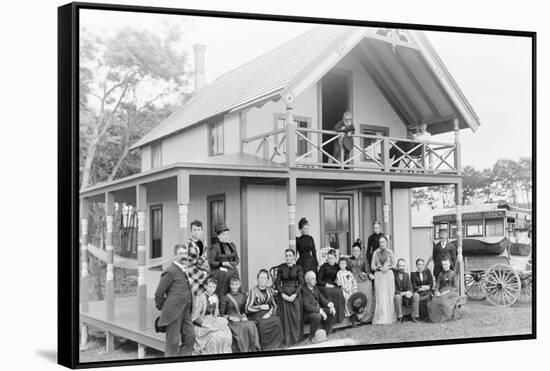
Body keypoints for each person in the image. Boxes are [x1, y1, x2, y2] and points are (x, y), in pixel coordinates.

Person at [154, 244, 196, 357]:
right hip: (173, 312)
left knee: (190, 337)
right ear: (175, 255)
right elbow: (159, 293)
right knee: (173, 343)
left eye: (185, 253)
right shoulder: (170, 271)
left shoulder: (184, 269)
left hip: (185, 311)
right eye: (180, 253)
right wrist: (165, 308)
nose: (184, 256)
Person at [191, 278, 233, 355]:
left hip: (212, 319)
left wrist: (217, 320)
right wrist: (203, 324)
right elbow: (194, 317)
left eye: (214, 287)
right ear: (205, 286)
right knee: (215, 336)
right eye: (210, 286)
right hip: (202, 322)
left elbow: (216, 313)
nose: (212, 289)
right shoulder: (199, 297)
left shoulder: (215, 297)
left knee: (225, 332)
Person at [245, 269, 284, 350]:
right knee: (263, 323)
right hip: (256, 313)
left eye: (264, 278)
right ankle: (265, 346)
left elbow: (274, 304)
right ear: (257, 279)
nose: (262, 280)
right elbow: (247, 308)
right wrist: (260, 307)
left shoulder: (270, 290)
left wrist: (270, 313)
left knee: (277, 320)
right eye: (261, 278)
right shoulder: (252, 291)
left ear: (267, 280)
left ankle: (276, 344)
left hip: (268, 312)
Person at [220, 277, 261, 353]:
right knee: (242, 328)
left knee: (251, 325)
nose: (234, 286)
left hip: (241, 318)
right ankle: (243, 351)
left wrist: (244, 315)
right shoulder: (225, 297)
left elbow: (243, 310)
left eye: (236, 284)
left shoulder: (242, 295)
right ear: (229, 285)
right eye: (232, 284)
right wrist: (230, 317)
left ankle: (253, 349)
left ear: (239, 285)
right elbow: (221, 314)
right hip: (232, 321)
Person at [274, 249, 304, 348]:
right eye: (286, 256)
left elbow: (301, 283)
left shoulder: (298, 268)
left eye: (290, 256)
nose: (288, 258)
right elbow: (277, 282)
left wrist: (295, 294)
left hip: (295, 293)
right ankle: (287, 341)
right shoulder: (281, 268)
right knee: (285, 318)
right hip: (283, 293)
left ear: (294, 257)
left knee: (296, 317)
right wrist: (282, 294)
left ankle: (296, 340)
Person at [301, 271, 336, 343]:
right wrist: (320, 311)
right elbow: (307, 306)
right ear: (307, 280)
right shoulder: (303, 290)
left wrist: (330, 305)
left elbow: (321, 298)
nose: (315, 281)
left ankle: (325, 334)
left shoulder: (315, 287)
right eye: (313, 279)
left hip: (317, 310)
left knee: (331, 312)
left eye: (315, 278)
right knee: (317, 316)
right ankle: (311, 337)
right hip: (308, 314)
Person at [208, 222, 240, 298]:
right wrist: (223, 264)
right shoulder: (214, 247)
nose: (226, 236)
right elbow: (211, 263)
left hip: (233, 274)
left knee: (233, 293)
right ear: (219, 236)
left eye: (227, 234)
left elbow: (237, 259)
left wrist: (234, 263)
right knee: (222, 295)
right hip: (221, 276)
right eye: (224, 234)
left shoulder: (232, 245)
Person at [371, 235, 396, 324]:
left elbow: (394, 265)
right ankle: (379, 318)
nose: (382, 244)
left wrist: (388, 267)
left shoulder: (390, 252)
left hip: (388, 275)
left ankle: (389, 318)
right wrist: (380, 268)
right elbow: (372, 267)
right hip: (379, 275)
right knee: (380, 296)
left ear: (386, 242)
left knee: (388, 295)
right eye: (380, 242)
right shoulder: (375, 252)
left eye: (383, 242)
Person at [348, 240, 375, 323]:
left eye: (357, 251)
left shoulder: (364, 260)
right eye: (354, 251)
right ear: (352, 251)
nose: (356, 252)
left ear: (360, 251)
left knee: (369, 284)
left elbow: (367, 270)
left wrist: (369, 274)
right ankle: (357, 314)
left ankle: (366, 315)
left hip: (362, 278)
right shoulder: (348, 260)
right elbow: (347, 271)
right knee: (357, 287)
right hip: (353, 279)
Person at [317, 249, 346, 323]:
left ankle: (338, 318)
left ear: (335, 258)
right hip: (324, 285)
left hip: (334, 285)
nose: (330, 260)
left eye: (331, 258)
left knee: (339, 292)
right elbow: (318, 280)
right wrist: (326, 285)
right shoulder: (324, 266)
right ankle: (330, 319)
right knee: (329, 292)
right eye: (328, 258)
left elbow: (342, 273)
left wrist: (338, 281)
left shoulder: (337, 266)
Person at [429, 258, 460, 323]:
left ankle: (446, 316)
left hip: (452, 292)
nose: (445, 266)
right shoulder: (440, 274)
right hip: (442, 292)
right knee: (434, 300)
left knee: (443, 299)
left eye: (446, 264)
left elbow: (456, 287)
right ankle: (436, 318)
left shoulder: (453, 274)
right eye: (443, 264)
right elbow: (437, 285)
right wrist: (437, 291)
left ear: (449, 264)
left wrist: (447, 292)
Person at [394, 258, 420, 323]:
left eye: (403, 266)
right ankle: (400, 317)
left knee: (416, 295)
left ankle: (415, 316)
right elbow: (394, 289)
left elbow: (410, 287)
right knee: (397, 297)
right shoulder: (393, 275)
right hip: (399, 295)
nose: (401, 267)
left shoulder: (406, 275)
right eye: (400, 266)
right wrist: (403, 293)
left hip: (406, 295)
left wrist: (410, 292)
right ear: (397, 266)